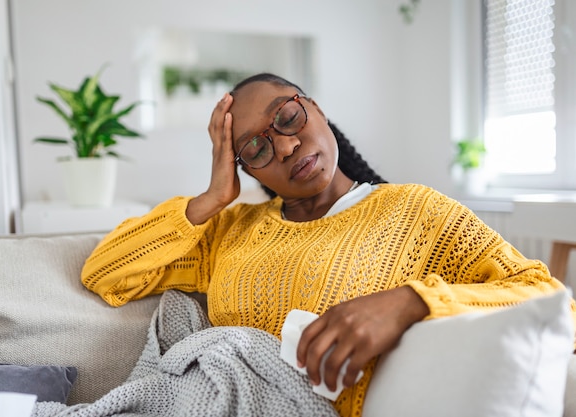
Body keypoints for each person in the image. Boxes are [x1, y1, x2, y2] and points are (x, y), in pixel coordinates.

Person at [81, 73, 574, 416]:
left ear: (313, 108)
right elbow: (106, 273)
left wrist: (413, 301)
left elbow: (552, 301)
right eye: (255, 148)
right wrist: (213, 198)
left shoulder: (413, 212)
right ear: (243, 167)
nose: (287, 146)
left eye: (289, 118)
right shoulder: (231, 231)